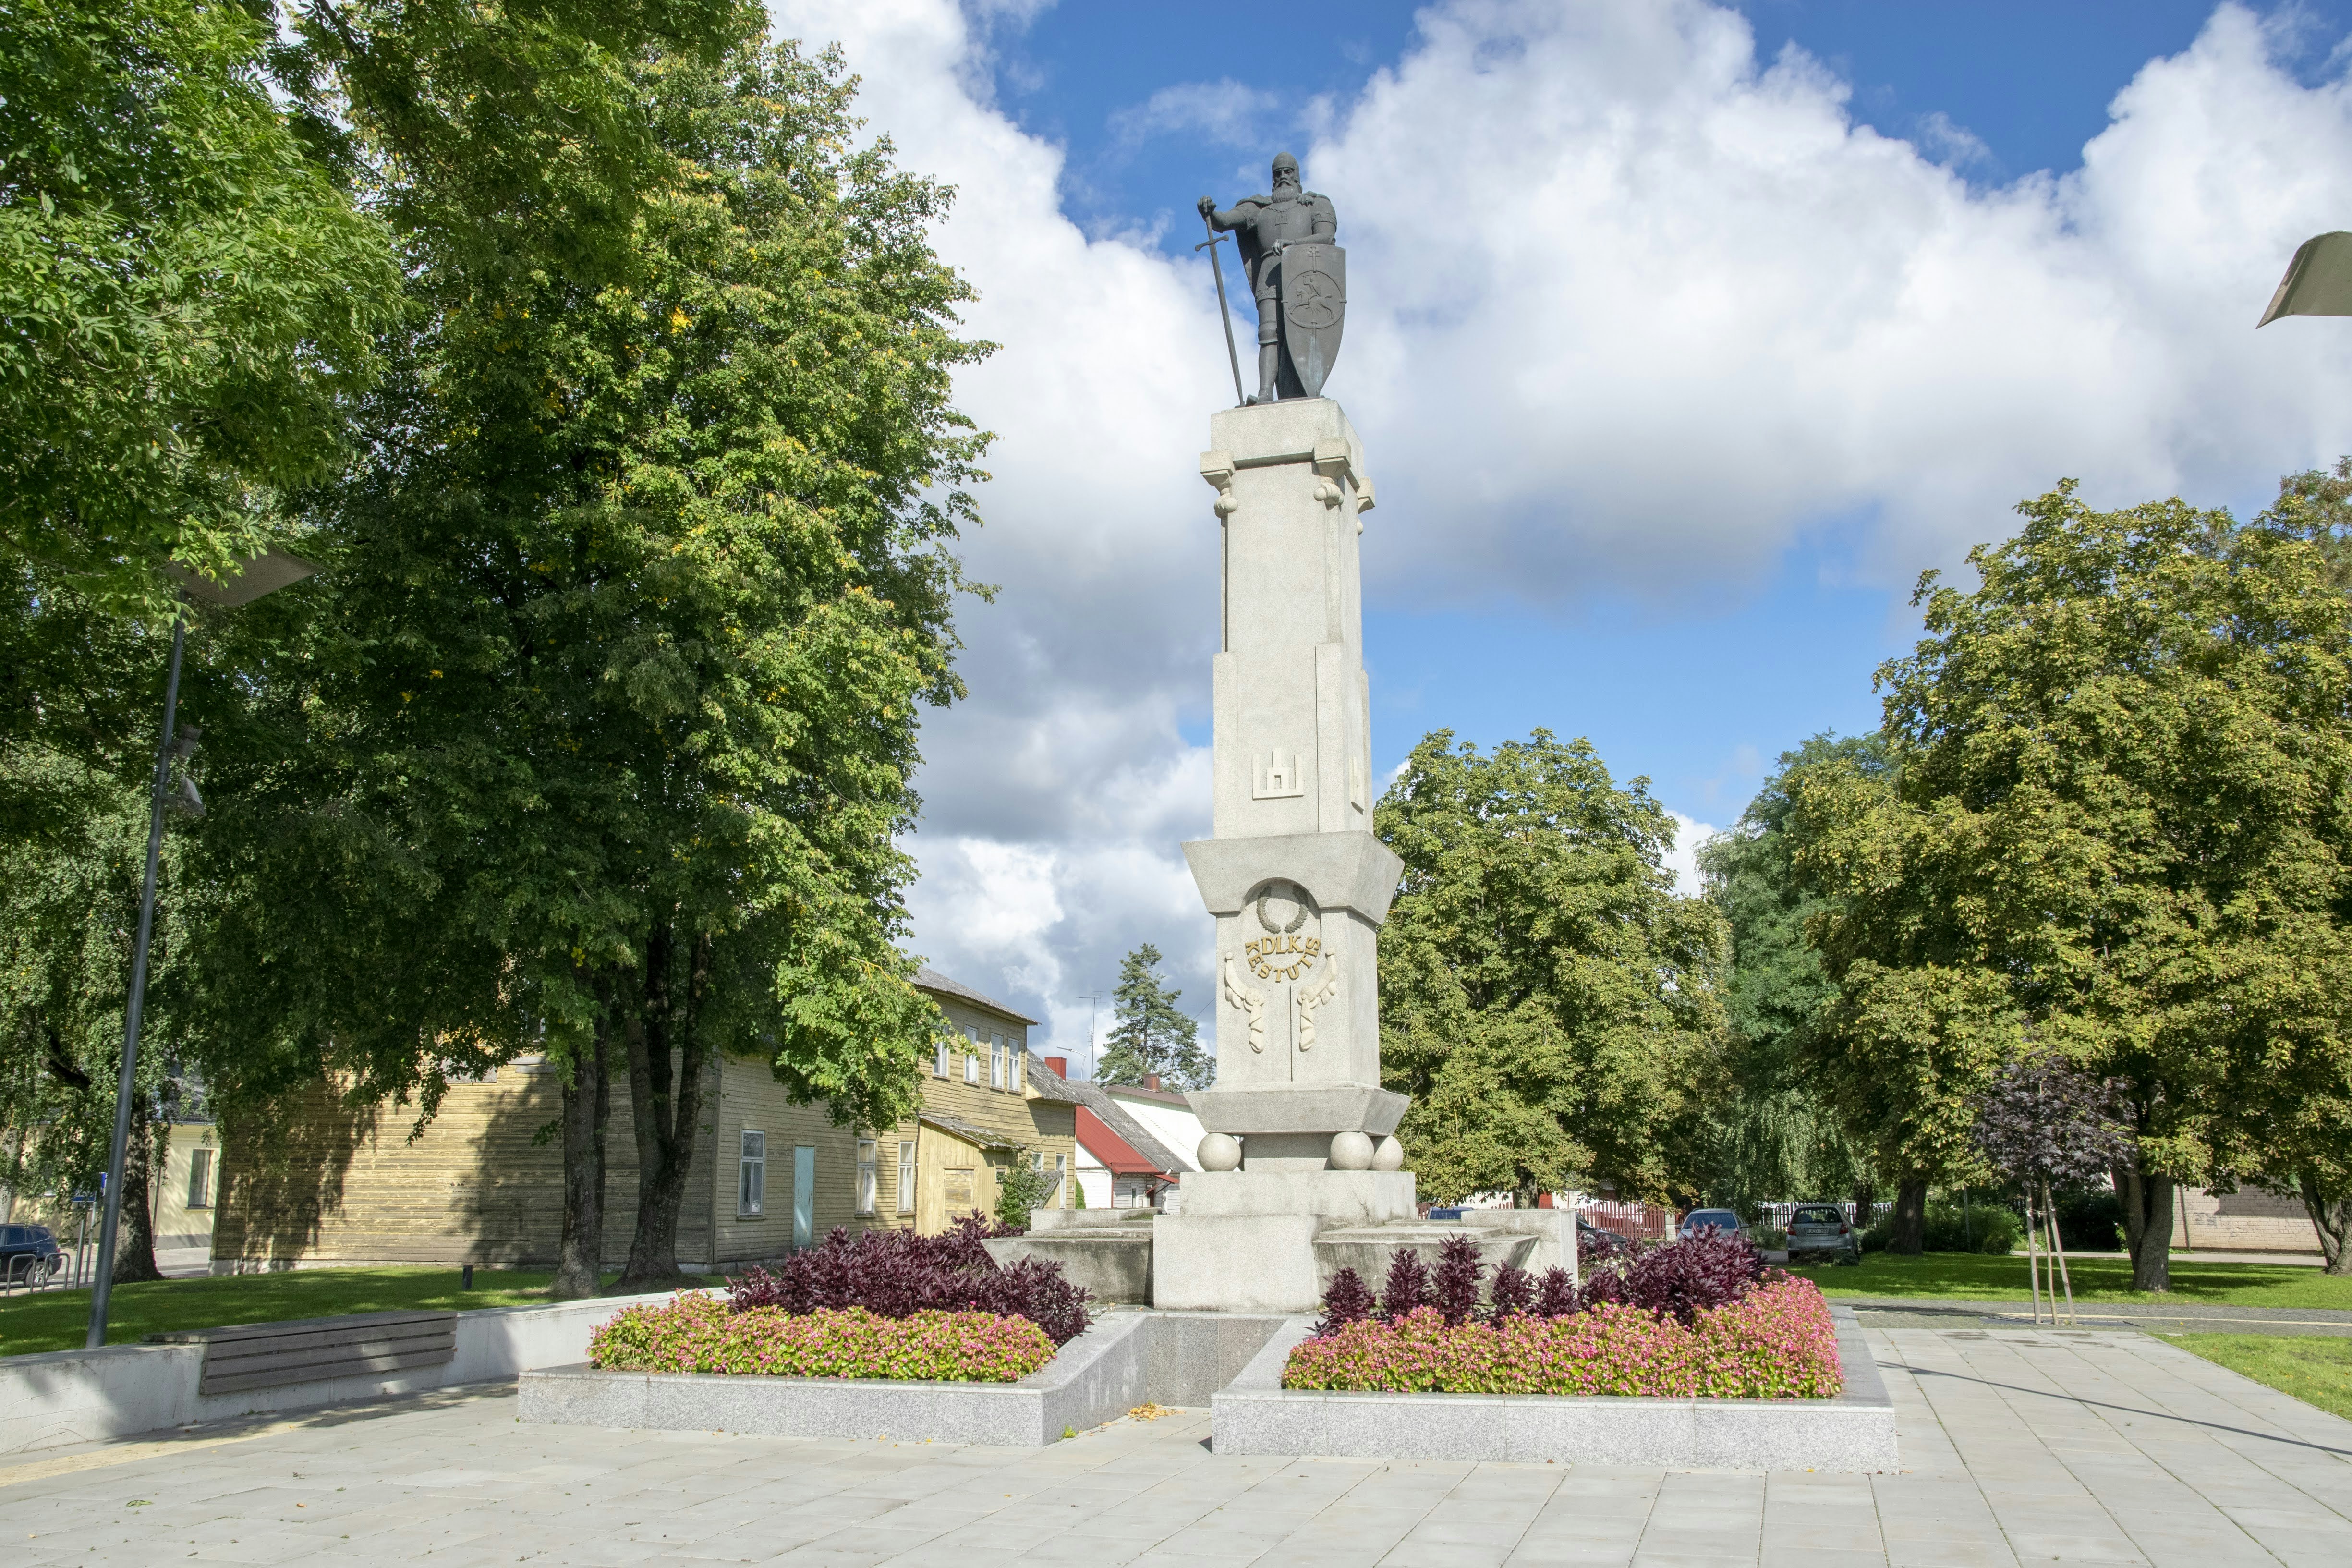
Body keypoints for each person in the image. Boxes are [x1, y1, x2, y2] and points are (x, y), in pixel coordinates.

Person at [1198, 152, 1339, 403]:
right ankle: (1265, 393)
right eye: (1278, 173)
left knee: (1303, 333)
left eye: (1288, 172)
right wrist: (1210, 211)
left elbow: (1326, 237)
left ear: (1297, 176)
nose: (1283, 177)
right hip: (1269, 277)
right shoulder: (1258, 209)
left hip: (1304, 277)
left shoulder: (1317, 204)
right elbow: (1224, 221)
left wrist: (1293, 244)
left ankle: (1304, 390)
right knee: (1268, 335)